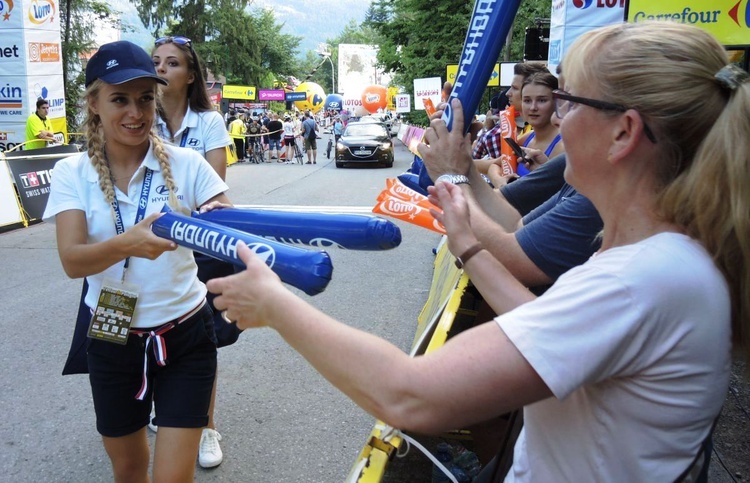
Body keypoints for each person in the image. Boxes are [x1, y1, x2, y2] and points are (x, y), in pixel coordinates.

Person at [206, 22, 749, 481]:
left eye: (569, 100)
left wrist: (275, 306)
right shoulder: (659, 260)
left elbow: (410, 396)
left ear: (623, 133)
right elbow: (546, 328)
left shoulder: (641, 279)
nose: (554, 116)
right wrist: (467, 241)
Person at [43, 40, 232, 482]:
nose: (136, 112)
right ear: (93, 102)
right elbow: (73, 261)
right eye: (120, 99)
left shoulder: (188, 165)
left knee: (173, 477)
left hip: (186, 336)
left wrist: (222, 223)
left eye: (146, 98)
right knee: (129, 469)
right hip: (112, 334)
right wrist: (129, 243)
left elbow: (224, 221)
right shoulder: (72, 172)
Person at [151, 34, 235, 468]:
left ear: (190, 75)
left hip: (199, 244)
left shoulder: (209, 122)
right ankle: (162, 405)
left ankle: (206, 426)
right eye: (156, 61)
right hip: (146, 244)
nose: (162, 69)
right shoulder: (137, 117)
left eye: (172, 63)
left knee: (202, 338)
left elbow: (212, 193)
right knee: (141, 326)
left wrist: (173, 214)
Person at [517, 71, 564, 162]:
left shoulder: (564, 146)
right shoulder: (524, 139)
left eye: (542, 100)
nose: (533, 107)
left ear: (557, 102)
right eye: (527, 101)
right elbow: (497, 164)